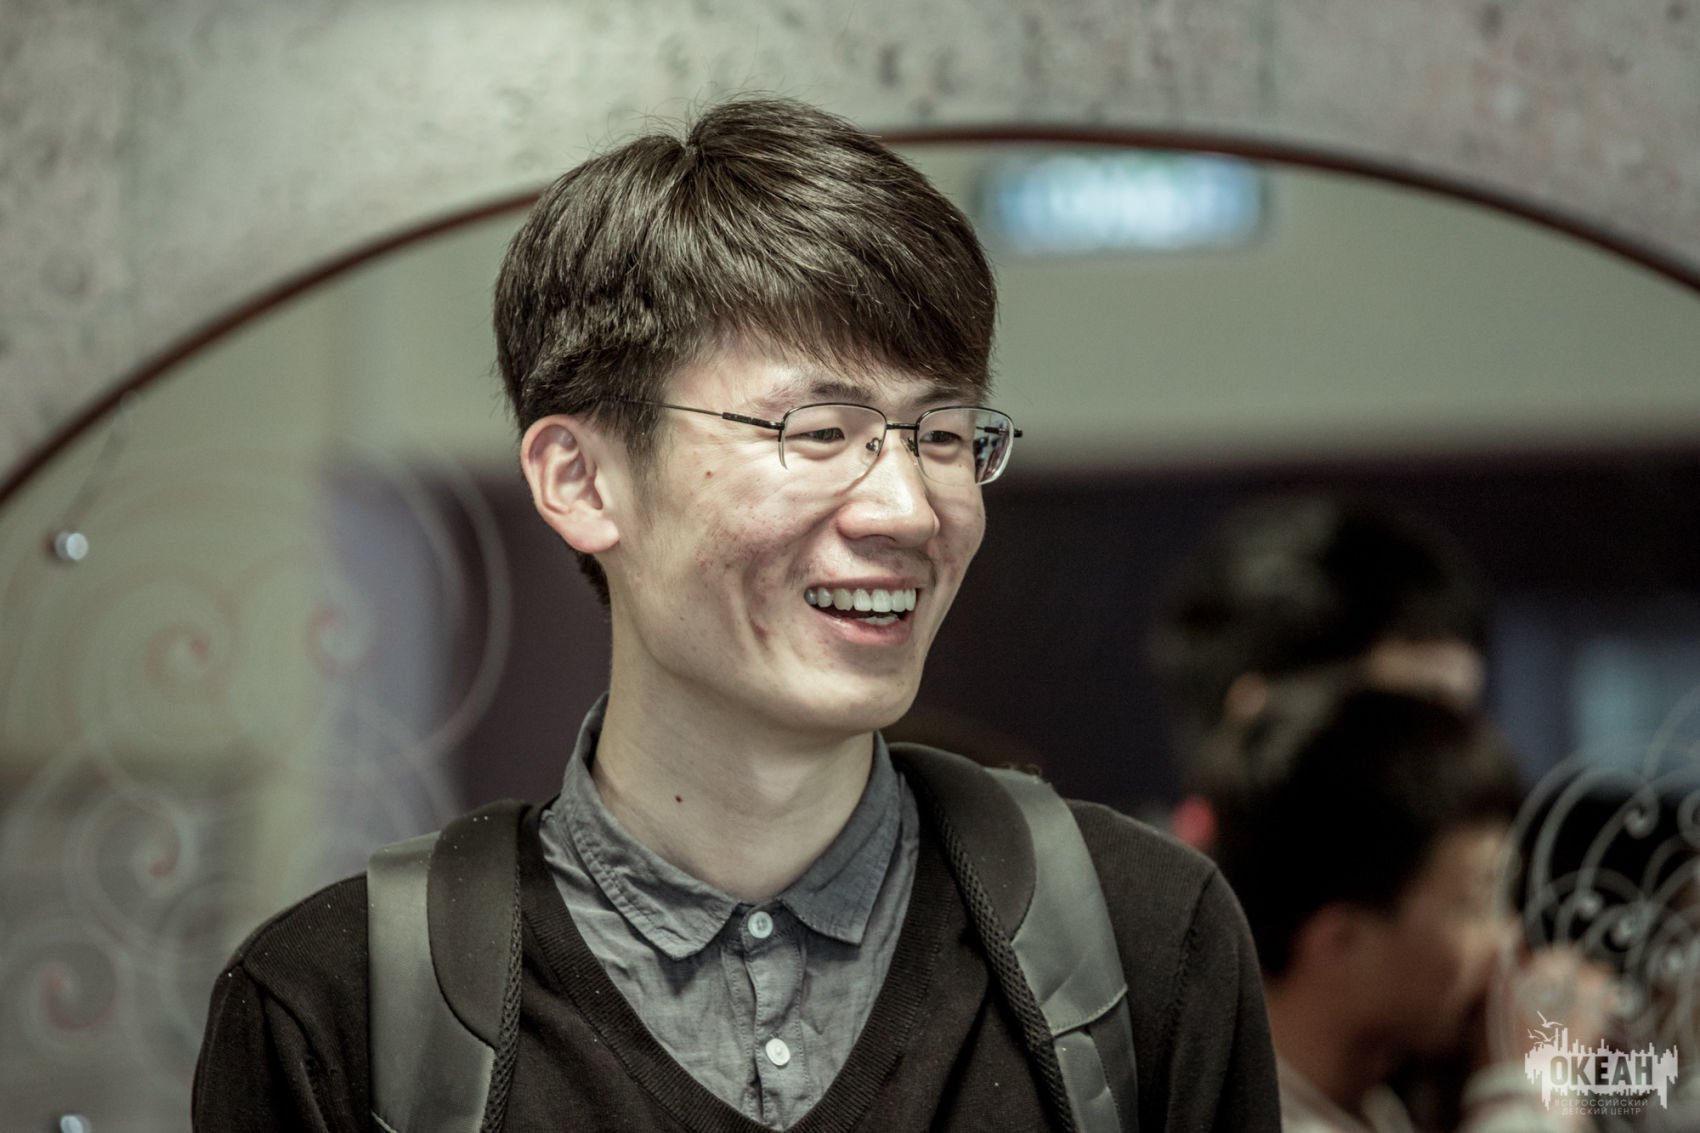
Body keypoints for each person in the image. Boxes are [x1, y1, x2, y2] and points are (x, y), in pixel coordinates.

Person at [192, 96, 1279, 1130]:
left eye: (943, 435)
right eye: (819, 431)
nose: (910, 508)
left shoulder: (1143, 939)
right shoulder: (336, 1010)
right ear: (581, 479)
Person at [1208, 683, 1592, 1133]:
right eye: (1474, 904)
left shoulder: (1366, 1101)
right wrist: (1531, 1079)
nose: (1506, 940)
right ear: (1339, 942)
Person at [1147, 492, 1491, 848]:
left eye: (1460, 722)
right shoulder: (1132, 879)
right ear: (1260, 723)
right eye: (1418, 721)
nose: (1464, 765)